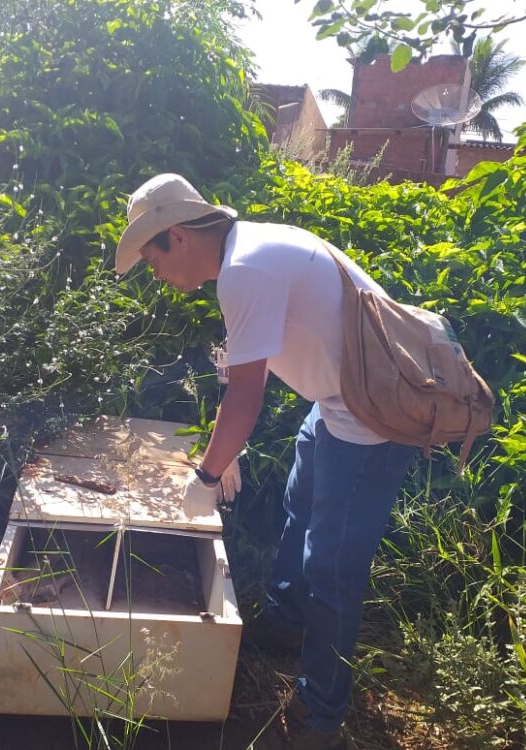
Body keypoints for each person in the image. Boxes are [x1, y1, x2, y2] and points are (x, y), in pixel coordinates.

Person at [115, 173, 414, 750]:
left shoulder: (244, 271)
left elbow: (246, 398)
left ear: (178, 236)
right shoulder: (249, 249)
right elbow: (255, 370)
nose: (156, 275)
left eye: (153, 259)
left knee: (331, 569)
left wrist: (206, 476)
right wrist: (228, 448)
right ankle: (282, 621)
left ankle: (321, 714)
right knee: (298, 502)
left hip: (371, 415)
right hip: (335, 401)